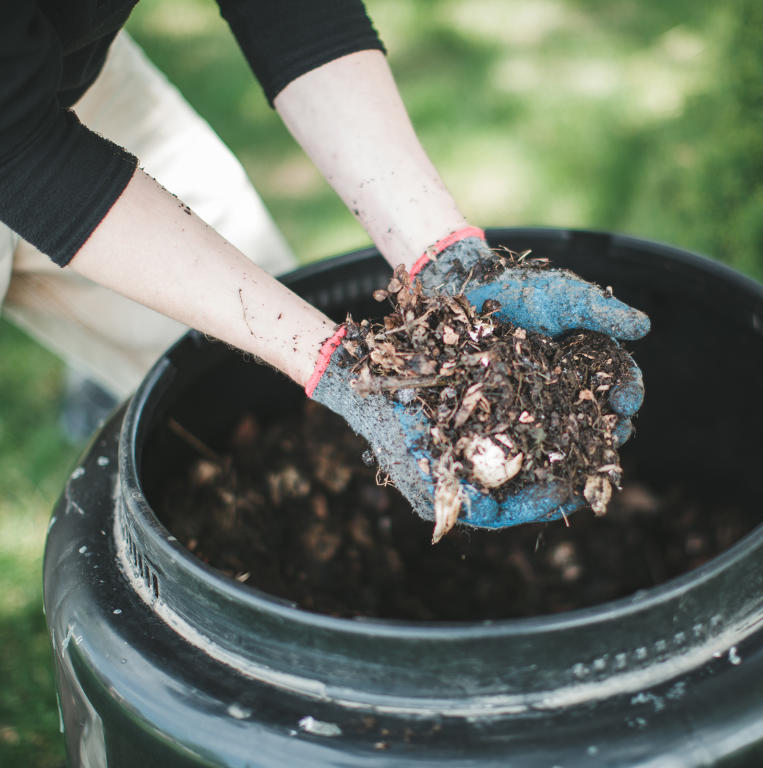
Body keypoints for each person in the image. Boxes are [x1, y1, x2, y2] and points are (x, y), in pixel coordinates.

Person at [0, 1, 649, 530]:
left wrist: (444, 257)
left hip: (53, 72)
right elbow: (20, 150)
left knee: (247, 381)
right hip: (15, 128)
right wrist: (340, 367)